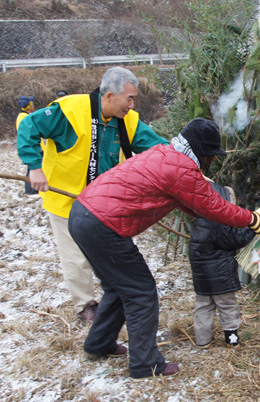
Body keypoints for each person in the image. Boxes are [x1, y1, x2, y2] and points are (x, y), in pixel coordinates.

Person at [67, 117, 260, 379]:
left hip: (83, 216)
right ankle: (146, 364)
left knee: (118, 288)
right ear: (201, 152)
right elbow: (212, 206)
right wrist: (251, 219)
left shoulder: (166, 154)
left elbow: (187, 201)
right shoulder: (182, 168)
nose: (212, 161)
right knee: (141, 292)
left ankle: (99, 344)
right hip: (103, 225)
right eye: (211, 156)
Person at [16, 66, 169, 322]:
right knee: (75, 257)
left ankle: (114, 295)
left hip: (103, 203)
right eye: (129, 98)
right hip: (66, 199)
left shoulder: (127, 121)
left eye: (134, 99)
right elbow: (29, 127)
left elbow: (155, 146)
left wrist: (184, 158)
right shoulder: (70, 110)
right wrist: (34, 166)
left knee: (104, 252)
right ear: (109, 96)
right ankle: (85, 305)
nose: (132, 105)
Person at [189, 181, 256, 348]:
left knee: (204, 305)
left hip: (202, 277)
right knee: (227, 305)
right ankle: (231, 336)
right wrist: (253, 227)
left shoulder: (200, 221)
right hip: (220, 277)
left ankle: (202, 339)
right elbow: (236, 239)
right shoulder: (219, 223)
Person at [15, 96, 38, 196]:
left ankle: (34, 190)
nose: (33, 105)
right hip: (32, 148)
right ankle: (31, 191)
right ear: (28, 106)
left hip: (33, 147)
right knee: (32, 169)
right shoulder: (24, 118)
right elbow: (29, 135)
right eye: (31, 103)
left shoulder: (24, 116)